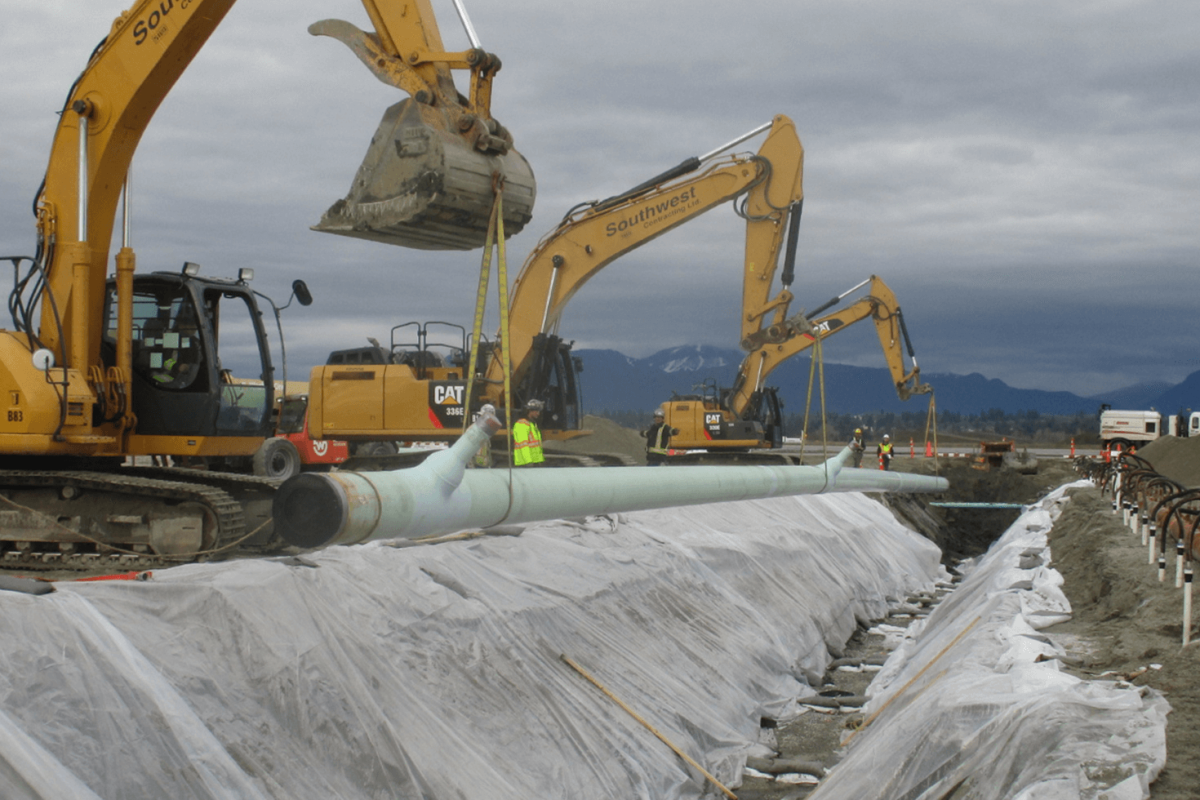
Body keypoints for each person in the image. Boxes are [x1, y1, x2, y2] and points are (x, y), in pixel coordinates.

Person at [512, 399, 545, 467]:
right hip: (525, 463)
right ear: (530, 411)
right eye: (536, 411)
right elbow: (523, 444)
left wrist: (538, 460)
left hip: (533, 462)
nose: (538, 413)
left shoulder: (532, 424)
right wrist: (528, 461)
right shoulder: (522, 424)